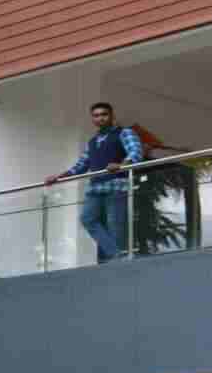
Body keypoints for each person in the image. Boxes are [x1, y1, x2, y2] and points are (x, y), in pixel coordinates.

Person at [45, 102, 144, 263]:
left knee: (115, 224)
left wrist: (121, 165)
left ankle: (117, 260)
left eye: (104, 114)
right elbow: (81, 165)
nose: (100, 118)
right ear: (92, 119)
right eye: (96, 115)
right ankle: (116, 255)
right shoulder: (92, 141)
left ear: (112, 116)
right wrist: (59, 177)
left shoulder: (124, 132)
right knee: (87, 218)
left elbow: (136, 152)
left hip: (117, 184)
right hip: (95, 187)